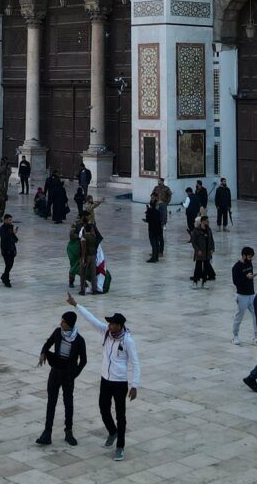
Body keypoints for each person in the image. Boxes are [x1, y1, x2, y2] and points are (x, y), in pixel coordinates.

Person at [69, 295, 140, 462]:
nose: (109, 325)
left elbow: (136, 363)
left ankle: (120, 447)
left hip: (120, 382)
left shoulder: (128, 341)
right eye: (109, 323)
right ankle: (112, 431)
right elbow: (91, 319)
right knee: (103, 408)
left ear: (120, 326)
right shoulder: (106, 333)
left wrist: (135, 385)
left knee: (120, 415)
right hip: (105, 380)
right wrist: (76, 305)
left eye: (112, 323)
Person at [35, 309, 87, 446]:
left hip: (68, 375)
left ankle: (68, 432)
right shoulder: (58, 332)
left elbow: (83, 361)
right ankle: (47, 433)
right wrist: (42, 353)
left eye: (63, 322)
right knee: (51, 402)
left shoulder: (79, 340)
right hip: (55, 372)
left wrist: (74, 375)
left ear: (70, 324)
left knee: (68, 403)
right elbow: (48, 343)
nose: (61, 323)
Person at [231, 246, 257, 344]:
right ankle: (235, 336)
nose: (251, 259)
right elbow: (235, 282)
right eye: (249, 257)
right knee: (239, 316)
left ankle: (256, 336)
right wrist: (246, 277)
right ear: (243, 256)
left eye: (252, 257)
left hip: (251, 294)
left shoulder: (250, 263)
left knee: (256, 315)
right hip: (242, 295)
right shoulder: (236, 267)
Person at [190, 215, 216, 288]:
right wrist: (197, 250)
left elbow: (212, 240)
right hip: (200, 253)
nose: (208, 222)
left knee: (206, 268)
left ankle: (204, 282)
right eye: (207, 221)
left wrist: (212, 249)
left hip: (207, 253)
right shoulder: (196, 230)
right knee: (198, 268)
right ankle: (195, 282)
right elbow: (193, 242)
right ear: (202, 221)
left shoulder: (209, 230)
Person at [143, 197, 165, 262]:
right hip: (158, 229)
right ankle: (156, 257)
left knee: (153, 244)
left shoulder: (149, 211)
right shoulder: (157, 212)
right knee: (157, 243)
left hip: (152, 229)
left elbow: (148, 219)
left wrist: (146, 218)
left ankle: (153, 258)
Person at [0, 214, 18, 287]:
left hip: (12, 248)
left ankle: (4, 276)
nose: (11, 221)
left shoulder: (10, 227)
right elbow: (5, 239)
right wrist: (12, 233)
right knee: (8, 265)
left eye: (11, 220)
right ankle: (6, 280)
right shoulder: (2, 228)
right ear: (5, 220)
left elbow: (13, 239)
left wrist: (14, 233)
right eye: (9, 220)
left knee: (11, 264)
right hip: (6, 249)